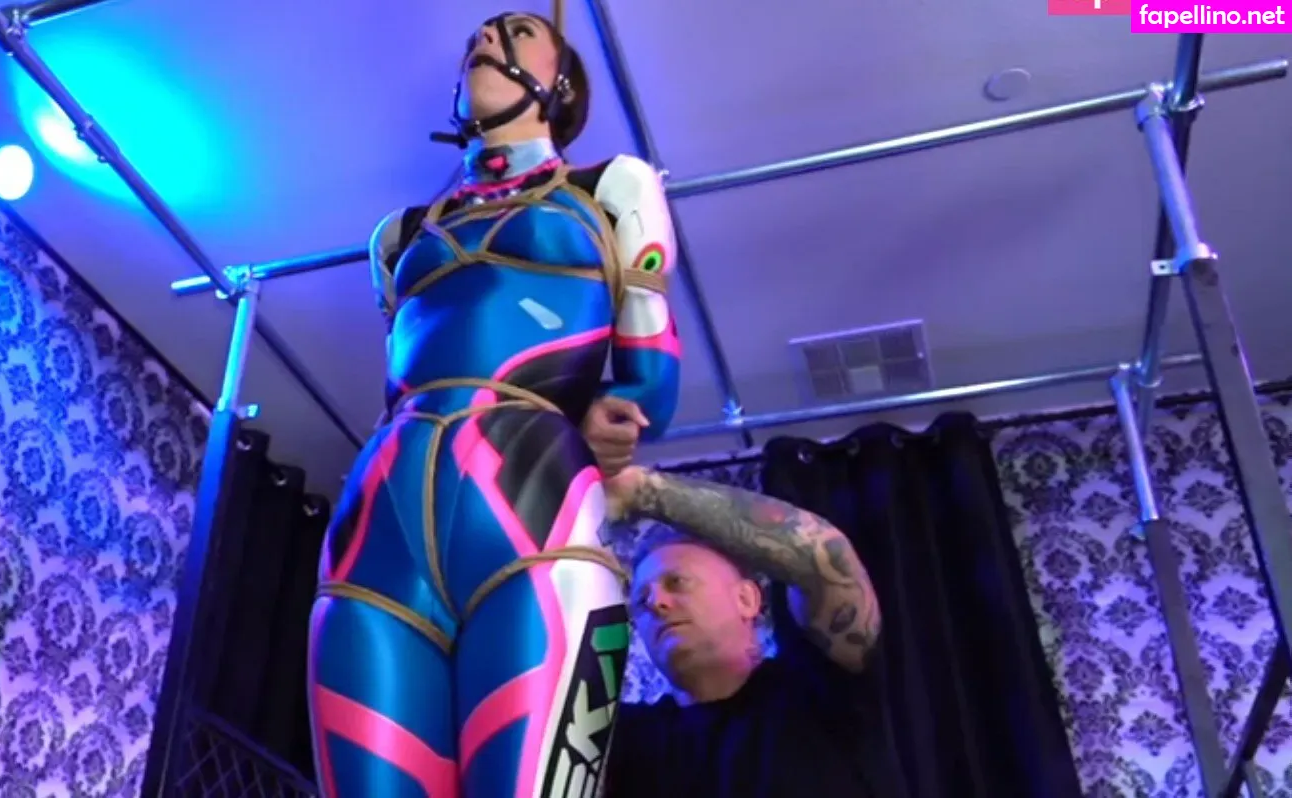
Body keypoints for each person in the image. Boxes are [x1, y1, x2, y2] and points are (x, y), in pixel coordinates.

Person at [306, 8, 683, 798]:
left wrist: (611, 412)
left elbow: (648, 383)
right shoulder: (396, 237)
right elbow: (397, 377)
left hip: (533, 506)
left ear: (563, 84)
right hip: (378, 522)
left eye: (518, 31)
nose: (485, 39)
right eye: (478, 34)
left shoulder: (613, 189)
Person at [581, 397, 898, 797]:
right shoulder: (626, 740)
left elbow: (821, 557)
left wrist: (636, 489)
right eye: (641, 602)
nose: (656, 603)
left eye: (677, 582)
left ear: (747, 599)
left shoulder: (819, 691)